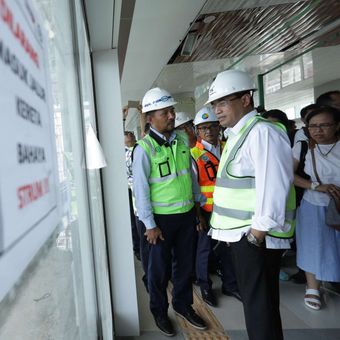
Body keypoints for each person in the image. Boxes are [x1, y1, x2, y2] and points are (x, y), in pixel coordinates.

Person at [206, 70, 295, 340]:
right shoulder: (238, 134)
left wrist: (256, 234)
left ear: (245, 99)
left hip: (256, 238)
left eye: (223, 102)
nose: (217, 111)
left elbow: (275, 185)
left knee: (259, 308)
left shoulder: (262, 132)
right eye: (214, 105)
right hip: (244, 236)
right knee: (259, 306)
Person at [132, 87, 207, 336]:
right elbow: (140, 191)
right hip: (158, 223)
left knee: (185, 267)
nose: (172, 116)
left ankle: (183, 305)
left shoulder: (182, 141)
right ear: (150, 118)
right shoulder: (144, 149)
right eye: (166, 112)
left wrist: (196, 210)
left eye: (172, 110)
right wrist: (150, 225)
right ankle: (159, 312)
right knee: (158, 272)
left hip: (186, 217)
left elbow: (190, 178)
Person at [191, 106, 240, 307]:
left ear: (219, 127)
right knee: (204, 251)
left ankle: (230, 284)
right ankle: (205, 286)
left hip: (230, 210)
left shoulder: (229, 146)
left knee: (230, 250)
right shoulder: (193, 154)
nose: (208, 132)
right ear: (197, 132)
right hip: (207, 211)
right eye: (203, 128)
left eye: (211, 127)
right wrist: (198, 216)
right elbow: (193, 189)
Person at [293, 106, 340, 311]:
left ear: (337, 125)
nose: (318, 130)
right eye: (313, 126)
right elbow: (288, 174)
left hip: (338, 203)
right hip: (314, 202)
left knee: (336, 245)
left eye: (324, 125)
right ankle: (312, 286)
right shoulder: (303, 147)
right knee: (313, 244)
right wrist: (315, 186)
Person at [124, 131, 140, 260]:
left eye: (131, 133)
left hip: (140, 188)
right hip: (128, 190)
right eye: (126, 134)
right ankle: (137, 248)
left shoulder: (139, 148)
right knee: (133, 222)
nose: (129, 134)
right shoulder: (122, 152)